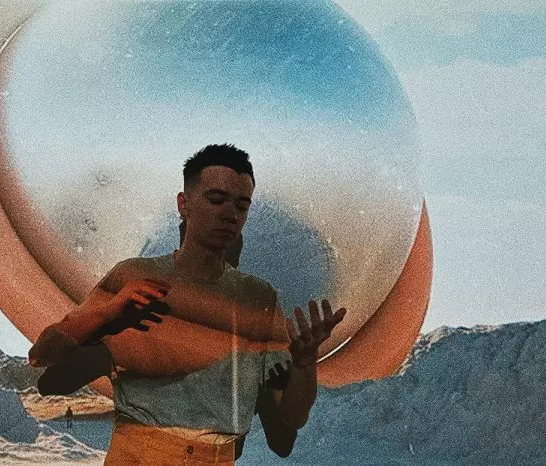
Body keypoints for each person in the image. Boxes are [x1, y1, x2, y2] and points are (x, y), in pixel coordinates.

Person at [29, 144, 346, 464]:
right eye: (216, 199)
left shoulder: (260, 299)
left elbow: (292, 416)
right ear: (184, 204)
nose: (230, 214)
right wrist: (108, 314)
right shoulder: (133, 276)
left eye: (241, 205)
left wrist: (305, 365)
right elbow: (42, 355)